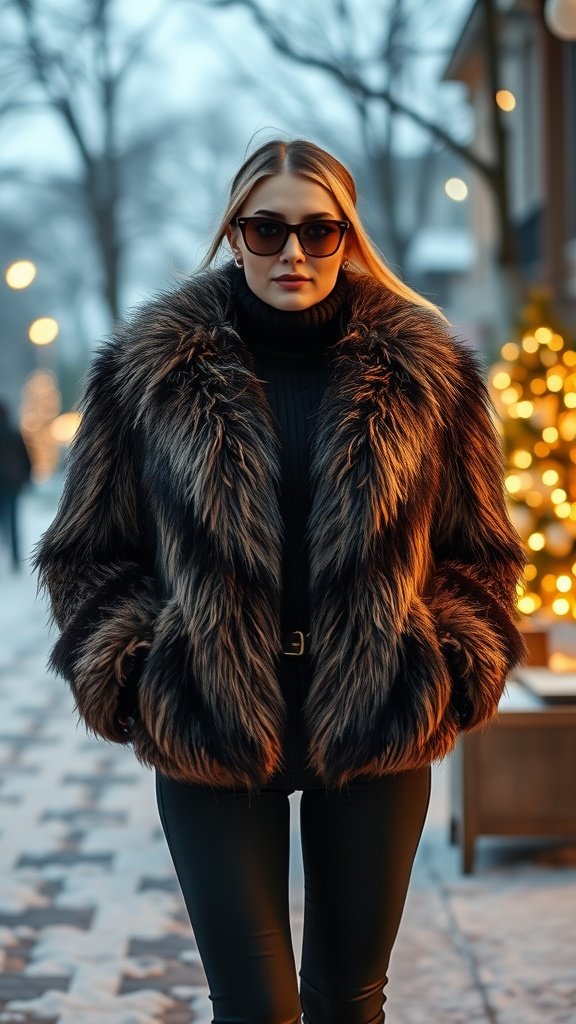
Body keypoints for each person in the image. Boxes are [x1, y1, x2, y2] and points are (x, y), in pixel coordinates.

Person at [31, 137, 529, 1024]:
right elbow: (84, 553)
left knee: (349, 1001)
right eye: (266, 229)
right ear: (234, 234)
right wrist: (141, 669)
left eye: (317, 230)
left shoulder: (431, 375)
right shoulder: (148, 374)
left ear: (347, 236)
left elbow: (481, 552)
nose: (292, 253)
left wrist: (449, 663)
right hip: (212, 725)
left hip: (377, 724)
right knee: (254, 1009)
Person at [0, 400, 32, 572]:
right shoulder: (14, 432)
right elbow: (26, 457)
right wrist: (27, 477)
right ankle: (14, 559)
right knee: (12, 523)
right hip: (12, 483)